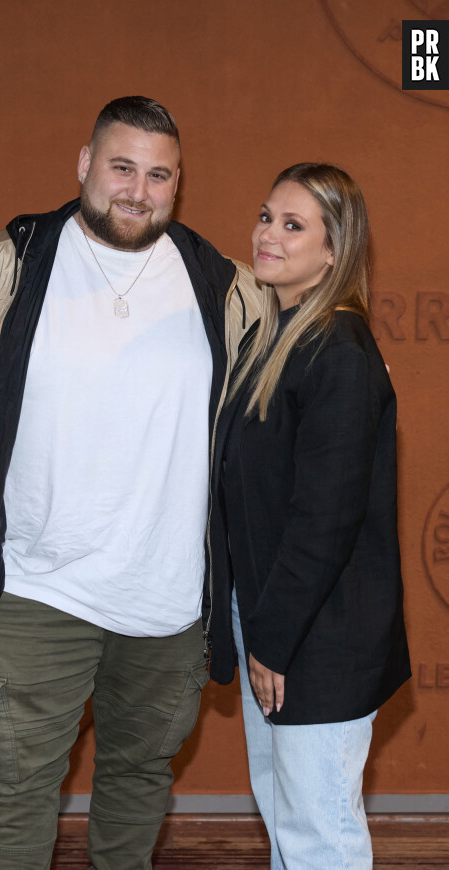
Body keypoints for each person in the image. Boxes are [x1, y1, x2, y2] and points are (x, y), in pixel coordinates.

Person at [0, 96, 258, 870]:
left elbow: (285, 395)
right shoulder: (5, 263)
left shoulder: (220, 285)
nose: (138, 189)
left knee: (138, 782)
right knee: (17, 788)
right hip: (32, 591)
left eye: (158, 174)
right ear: (86, 165)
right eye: (122, 167)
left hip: (166, 605)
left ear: (178, 183)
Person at [206, 163, 411, 870]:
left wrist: (273, 640)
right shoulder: (280, 334)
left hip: (316, 637)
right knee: (291, 821)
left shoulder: (339, 353)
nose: (268, 235)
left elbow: (324, 521)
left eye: (293, 225)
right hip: (275, 622)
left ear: (334, 251)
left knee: (319, 833)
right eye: (267, 216)